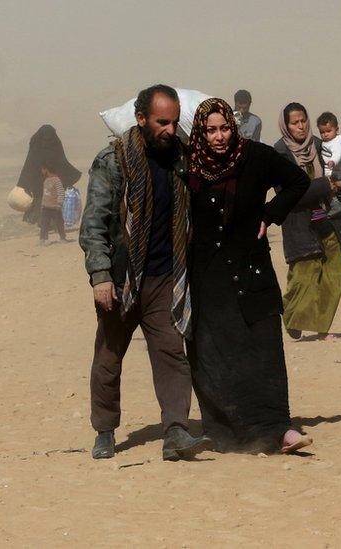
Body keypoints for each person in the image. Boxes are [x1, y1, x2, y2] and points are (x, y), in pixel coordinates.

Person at [78, 84, 211, 461]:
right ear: (141, 119)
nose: (170, 130)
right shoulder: (115, 160)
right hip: (121, 279)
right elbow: (95, 222)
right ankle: (105, 430)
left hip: (164, 276)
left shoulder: (181, 161)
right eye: (161, 122)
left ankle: (176, 431)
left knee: (171, 352)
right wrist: (101, 275)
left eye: (173, 122)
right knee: (109, 355)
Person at [185, 98, 313, 454]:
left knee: (263, 347)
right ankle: (226, 433)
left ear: (234, 126)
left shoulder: (255, 156)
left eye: (224, 128)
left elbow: (297, 182)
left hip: (251, 268)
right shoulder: (189, 166)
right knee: (213, 352)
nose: (219, 137)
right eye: (211, 130)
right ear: (200, 132)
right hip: (208, 276)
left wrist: (270, 213)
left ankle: (279, 428)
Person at [274, 103, 341, 340]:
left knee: (334, 273)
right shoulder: (279, 153)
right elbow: (288, 193)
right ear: (286, 125)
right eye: (294, 122)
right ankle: (291, 315)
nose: (300, 126)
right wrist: (324, 186)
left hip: (331, 221)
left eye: (303, 121)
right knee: (303, 276)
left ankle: (322, 329)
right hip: (301, 225)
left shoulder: (321, 145)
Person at [17, 125, 81, 224]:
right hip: (43, 179)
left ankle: (42, 222)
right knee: (43, 199)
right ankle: (44, 222)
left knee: (44, 199)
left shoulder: (40, 144)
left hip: (42, 179)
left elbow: (29, 165)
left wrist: (25, 182)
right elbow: (61, 163)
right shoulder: (49, 144)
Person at [38, 157, 67, 244]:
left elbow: (61, 192)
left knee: (59, 223)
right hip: (46, 207)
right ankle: (43, 239)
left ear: (46, 169)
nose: (41, 171)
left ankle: (62, 238)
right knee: (44, 224)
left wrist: (59, 204)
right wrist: (42, 204)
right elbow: (45, 194)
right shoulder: (46, 180)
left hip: (55, 207)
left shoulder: (56, 180)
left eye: (42, 169)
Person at [317, 112, 341, 181]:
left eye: (328, 131)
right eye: (322, 132)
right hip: (331, 169)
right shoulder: (325, 142)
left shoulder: (337, 142)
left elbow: (337, 153)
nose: (325, 134)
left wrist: (333, 161)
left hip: (340, 172)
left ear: (337, 130)